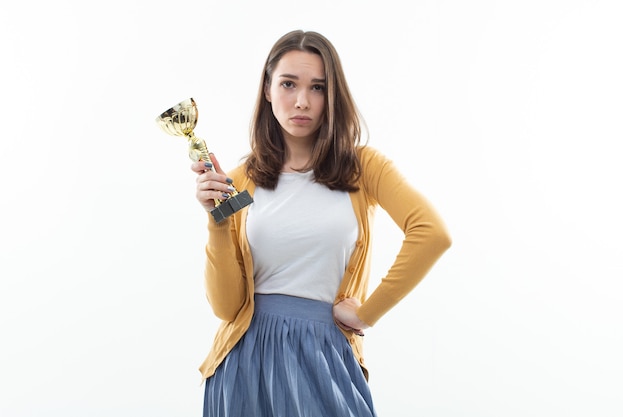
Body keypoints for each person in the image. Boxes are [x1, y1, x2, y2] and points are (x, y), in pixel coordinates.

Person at [190, 29, 451, 417]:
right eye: (288, 84)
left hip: (326, 354)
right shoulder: (244, 179)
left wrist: (367, 313)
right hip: (244, 362)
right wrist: (216, 223)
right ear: (267, 89)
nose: (301, 101)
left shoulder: (362, 168)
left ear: (333, 95)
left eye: (318, 88)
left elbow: (432, 233)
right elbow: (228, 308)